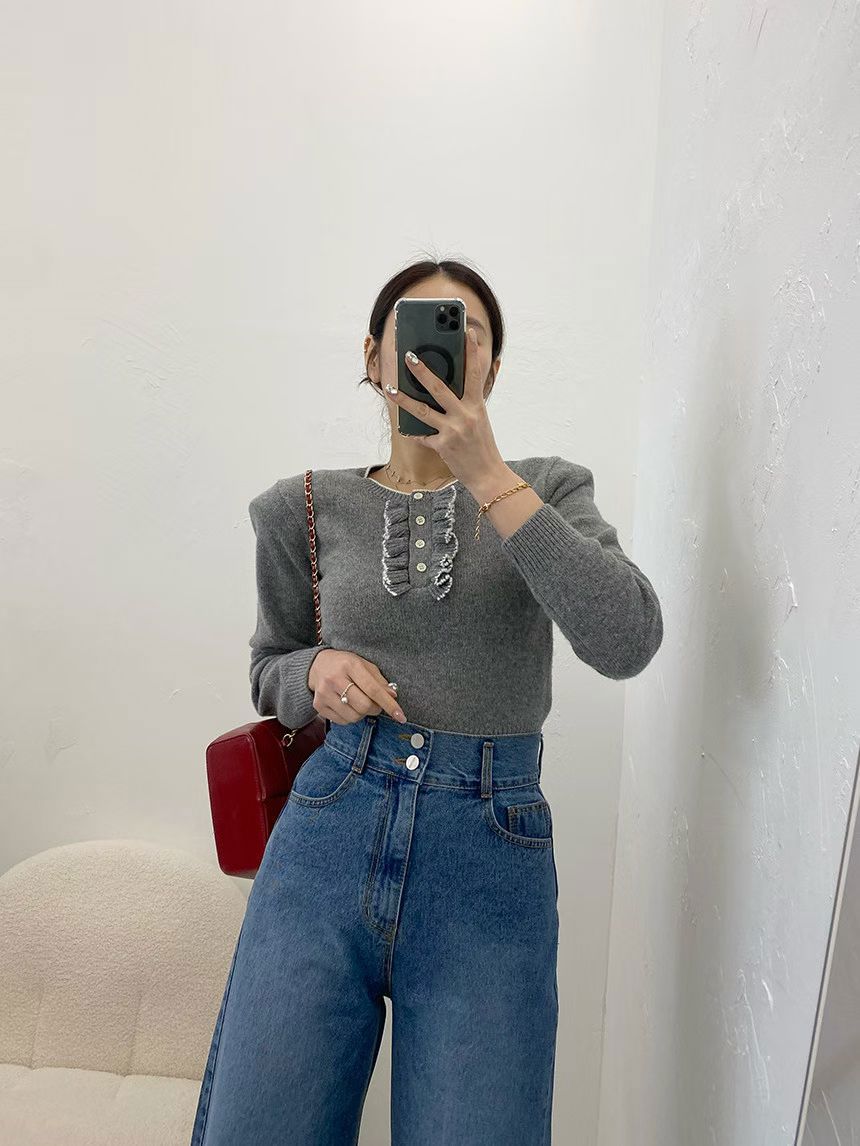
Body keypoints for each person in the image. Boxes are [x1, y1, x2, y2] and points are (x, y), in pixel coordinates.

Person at [190, 258, 663, 1145]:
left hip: (490, 854)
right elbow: (269, 665)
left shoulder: (549, 487)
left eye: (467, 331)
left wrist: (489, 477)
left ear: (491, 368)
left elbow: (627, 639)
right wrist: (315, 672)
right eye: (415, 326)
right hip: (326, 836)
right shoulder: (301, 508)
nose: (443, 345)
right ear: (374, 356)